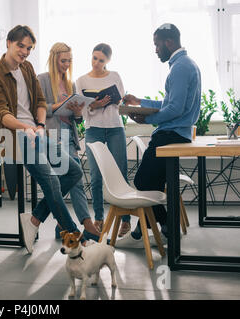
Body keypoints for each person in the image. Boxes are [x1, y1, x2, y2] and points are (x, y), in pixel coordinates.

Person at [0, 25, 85, 254]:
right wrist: (25, 127)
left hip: (35, 133)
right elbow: (1, 113)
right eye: (21, 46)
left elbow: (39, 101)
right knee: (52, 181)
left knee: (74, 171)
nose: (25, 52)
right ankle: (78, 237)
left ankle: (35, 219)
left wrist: (38, 126)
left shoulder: (27, 68)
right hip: (13, 136)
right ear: (9, 42)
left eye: (29, 48)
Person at [116, 23, 201, 248]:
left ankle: (165, 226)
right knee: (153, 184)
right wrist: (140, 103)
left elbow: (175, 110)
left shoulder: (180, 68)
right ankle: (145, 229)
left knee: (142, 181)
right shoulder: (184, 64)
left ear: (168, 42)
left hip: (169, 135)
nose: (155, 50)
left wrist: (147, 119)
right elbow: (169, 103)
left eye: (157, 44)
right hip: (175, 133)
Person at [37, 42, 101, 241]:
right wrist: (57, 106)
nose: (66, 64)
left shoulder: (70, 83)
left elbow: (77, 120)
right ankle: (86, 225)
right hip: (52, 137)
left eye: (69, 61)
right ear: (54, 59)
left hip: (68, 136)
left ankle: (63, 226)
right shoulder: (42, 80)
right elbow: (37, 108)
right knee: (64, 182)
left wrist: (77, 113)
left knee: (74, 180)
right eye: (63, 60)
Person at [75, 43, 131, 237]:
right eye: (94, 58)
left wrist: (116, 100)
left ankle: (125, 220)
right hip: (93, 130)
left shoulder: (114, 76)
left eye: (101, 60)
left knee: (120, 173)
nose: (97, 63)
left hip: (115, 128)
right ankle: (98, 218)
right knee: (97, 176)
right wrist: (95, 105)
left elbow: (121, 100)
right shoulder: (81, 81)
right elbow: (82, 109)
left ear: (108, 61)